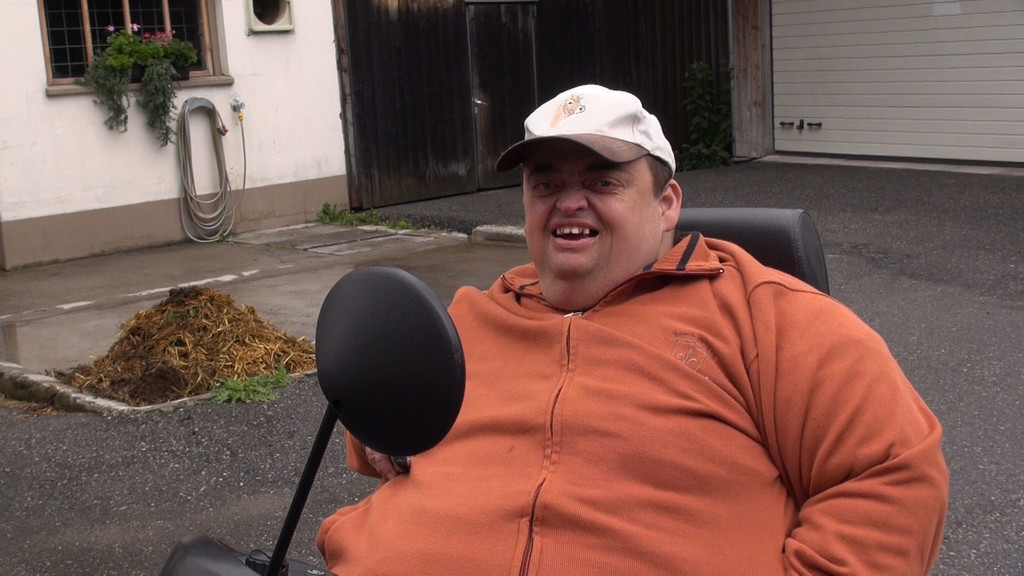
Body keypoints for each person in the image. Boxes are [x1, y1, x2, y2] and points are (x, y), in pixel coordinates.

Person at [317, 84, 948, 574]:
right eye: (546, 184)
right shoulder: (472, 316)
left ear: (666, 204)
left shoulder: (764, 316)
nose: (569, 202)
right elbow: (383, 422)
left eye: (602, 181)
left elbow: (894, 473)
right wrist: (378, 431)